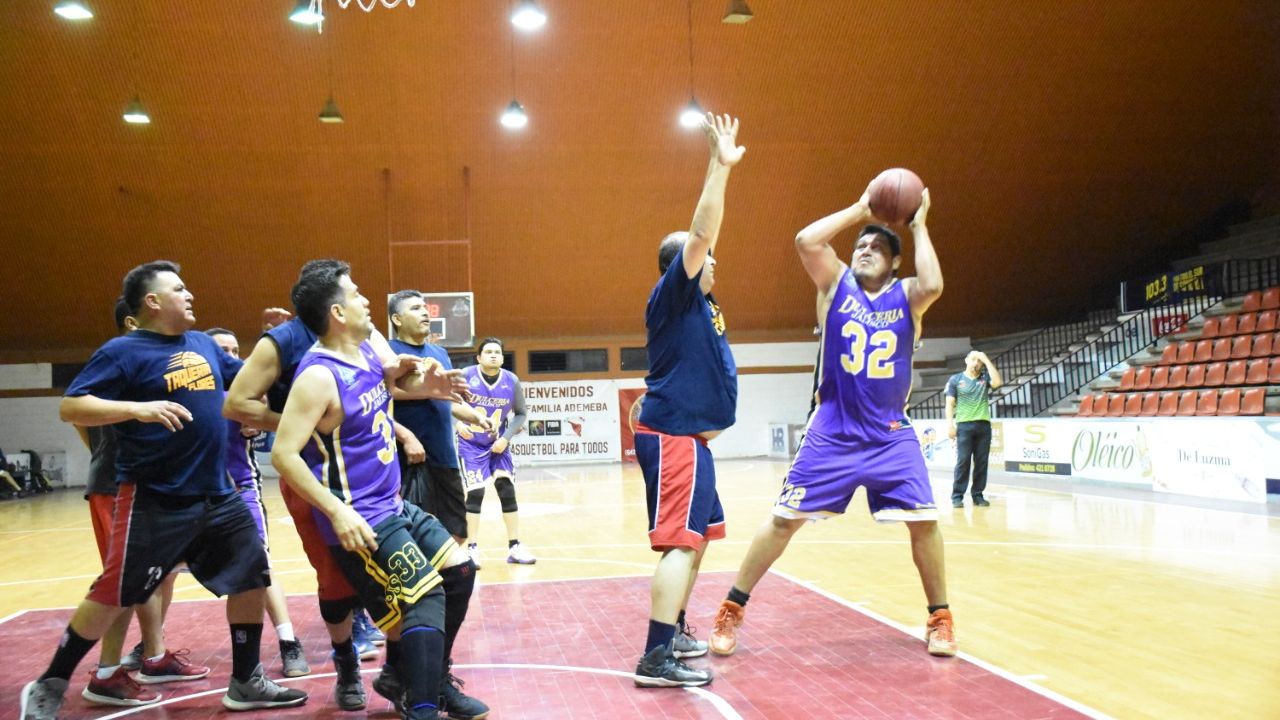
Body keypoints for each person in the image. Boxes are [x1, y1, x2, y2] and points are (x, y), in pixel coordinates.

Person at [22, 261, 307, 720]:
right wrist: (137, 408)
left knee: (253, 575)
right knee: (115, 591)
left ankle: (246, 679)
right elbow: (71, 406)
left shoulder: (202, 345)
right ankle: (51, 681)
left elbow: (255, 380)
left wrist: (280, 339)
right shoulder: (123, 351)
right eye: (178, 288)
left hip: (219, 493)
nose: (190, 293)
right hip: (156, 497)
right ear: (152, 301)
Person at [224, 261, 487, 720]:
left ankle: (426, 678)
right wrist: (337, 512)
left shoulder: (365, 352)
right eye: (357, 294)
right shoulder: (316, 376)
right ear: (336, 313)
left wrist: (427, 384)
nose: (367, 299)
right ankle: (422, 706)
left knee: (460, 573)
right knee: (424, 598)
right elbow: (285, 455)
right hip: (360, 513)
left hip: (394, 503)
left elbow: (388, 383)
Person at [708, 182, 956, 659]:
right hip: (833, 429)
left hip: (889, 434)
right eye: (860, 245)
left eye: (877, 246)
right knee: (783, 521)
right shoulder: (834, 284)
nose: (865, 250)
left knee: (924, 523)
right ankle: (732, 608)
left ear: (896, 261)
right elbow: (806, 240)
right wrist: (862, 210)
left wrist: (920, 224)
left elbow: (934, 285)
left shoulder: (907, 295)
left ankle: (940, 617)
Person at [632, 113, 744, 688]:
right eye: (703, 258)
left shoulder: (703, 306)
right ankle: (654, 657)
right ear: (682, 265)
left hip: (691, 437)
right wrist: (718, 167)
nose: (714, 261)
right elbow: (701, 234)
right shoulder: (674, 294)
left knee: (696, 543)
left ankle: (672, 630)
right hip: (674, 436)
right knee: (679, 544)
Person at [74, 296, 187, 708]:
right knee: (124, 581)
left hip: (152, 485)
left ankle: (153, 655)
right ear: (132, 320)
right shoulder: (116, 362)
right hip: (115, 486)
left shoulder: (154, 363)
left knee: (161, 575)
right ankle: (105, 672)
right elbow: (74, 412)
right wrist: (104, 459)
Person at [206, 328, 311, 678]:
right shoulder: (192, 393)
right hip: (191, 495)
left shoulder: (245, 395)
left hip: (238, 491)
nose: (233, 356)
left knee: (259, 568)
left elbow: (259, 412)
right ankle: (151, 648)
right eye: (225, 350)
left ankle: (288, 641)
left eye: (237, 349)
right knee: (160, 578)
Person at [387, 290, 491, 545]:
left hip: (445, 457)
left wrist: (476, 417)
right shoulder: (389, 354)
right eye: (415, 308)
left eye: (425, 307)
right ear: (397, 319)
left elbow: (446, 401)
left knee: (457, 530)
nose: (424, 312)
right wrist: (407, 437)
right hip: (410, 459)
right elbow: (381, 401)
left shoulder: (439, 353)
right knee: (414, 532)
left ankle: (441, 579)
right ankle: (425, 582)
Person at [456, 338, 535, 567]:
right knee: (476, 493)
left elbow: (520, 414)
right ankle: (472, 549)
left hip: (497, 445)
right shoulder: (465, 375)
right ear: (478, 357)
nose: (493, 355)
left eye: (497, 352)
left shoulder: (511, 381)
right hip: (471, 444)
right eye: (488, 352)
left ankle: (514, 547)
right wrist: (457, 423)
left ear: (502, 357)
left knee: (506, 488)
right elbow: (447, 402)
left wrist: (505, 438)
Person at [946, 351, 1002, 508]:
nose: (976, 363)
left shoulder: (984, 378)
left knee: (981, 462)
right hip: (964, 425)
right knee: (963, 461)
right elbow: (950, 404)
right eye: (973, 360)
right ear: (966, 361)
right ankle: (957, 496)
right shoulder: (955, 379)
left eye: (979, 361)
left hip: (983, 425)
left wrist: (986, 359)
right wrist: (950, 425)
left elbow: (997, 382)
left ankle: (977, 495)